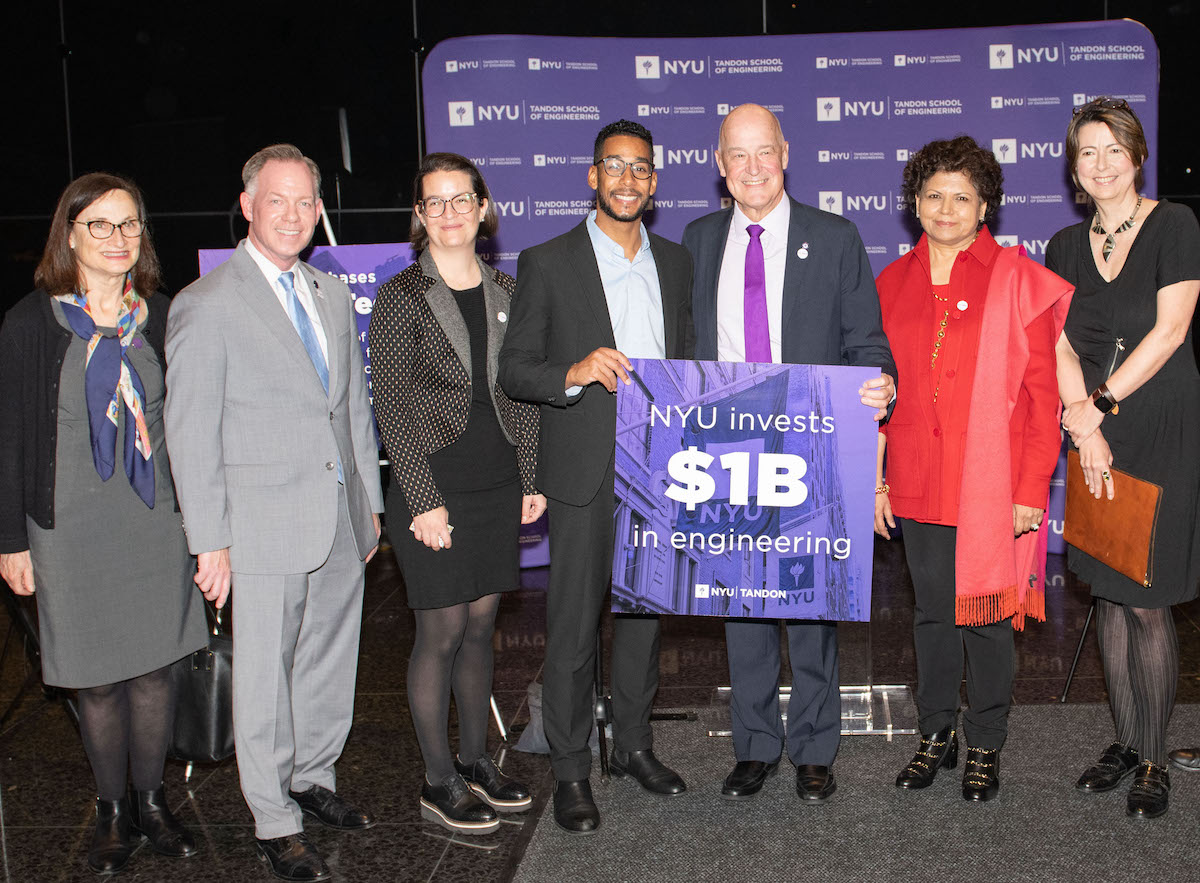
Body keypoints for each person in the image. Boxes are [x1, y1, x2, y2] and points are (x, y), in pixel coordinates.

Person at [164, 144, 384, 881]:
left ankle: (312, 777)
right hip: (258, 527)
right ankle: (273, 818)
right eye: (276, 200)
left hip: (338, 517)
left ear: (318, 209)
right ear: (248, 205)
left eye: (304, 202)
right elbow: (190, 432)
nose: (291, 215)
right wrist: (210, 541)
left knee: (328, 659)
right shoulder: (207, 303)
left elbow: (351, 409)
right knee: (261, 679)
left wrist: (368, 504)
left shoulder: (329, 293)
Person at [682, 103, 895, 805]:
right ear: (720, 165)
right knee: (741, 601)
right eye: (737, 155)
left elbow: (867, 342)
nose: (753, 168)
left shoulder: (834, 238)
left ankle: (813, 747)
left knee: (809, 602)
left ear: (786, 153)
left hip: (811, 443)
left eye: (764, 151)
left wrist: (881, 384)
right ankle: (753, 746)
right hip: (726, 445)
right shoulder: (697, 240)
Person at [0, 173, 208, 874]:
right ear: (70, 234)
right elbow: (9, 439)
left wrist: (207, 526)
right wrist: (10, 540)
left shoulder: (163, 316)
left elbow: (190, 426)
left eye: (129, 224)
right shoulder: (32, 323)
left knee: (154, 674)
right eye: (100, 224)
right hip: (68, 528)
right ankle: (112, 811)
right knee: (93, 679)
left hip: (154, 524)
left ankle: (153, 803)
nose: (118, 238)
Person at [499, 119, 693, 834]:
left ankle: (635, 746)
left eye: (640, 168)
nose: (627, 179)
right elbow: (515, 368)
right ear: (592, 176)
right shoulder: (547, 261)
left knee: (643, 619)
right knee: (574, 626)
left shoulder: (677, 263)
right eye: (614, 166)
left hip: (659, 467)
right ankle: (572, 767)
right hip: (583, 470)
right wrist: (575, 371)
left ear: (653, 181)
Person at [874, 136, 1072, 802]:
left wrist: (1029, 488)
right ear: (915, 203)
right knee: (931, 614)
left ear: (985, 206)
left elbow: (1043, 397)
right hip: (916, 477)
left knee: (985, 618)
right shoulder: (889, 283)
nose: (946, 208)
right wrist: (877, 478)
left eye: (962, 196)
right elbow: (874, 392)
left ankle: (985, 741)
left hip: (990, 484)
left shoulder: (1015, 279)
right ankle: (936, 732)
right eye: (933, 195)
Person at [368, 153, 542, 835]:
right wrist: (422, 499)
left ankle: (476, 762)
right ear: (420, 214)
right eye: (434, 202)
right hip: (433, 485)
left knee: (479, 628)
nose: (449, 213)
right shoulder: (400, 295)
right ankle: (438, 779)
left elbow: (521, 394)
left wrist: (530, 477)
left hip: (495, 482)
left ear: (482, 207)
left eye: (460, 199)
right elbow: (392, 407)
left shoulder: (508, 289)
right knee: (439, 632)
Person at [1047, 98, 1200, 820]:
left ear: (1138, 156)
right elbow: (1059, 344)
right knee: (1107, 589)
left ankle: (1155, 756)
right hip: (1093, 432)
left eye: (1115, 149)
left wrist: (1098, 408)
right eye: (1088, 152)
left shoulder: (1175, 226)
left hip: (1157, 424)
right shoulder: (1063, 246)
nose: (1102, 163)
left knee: (1146, 598)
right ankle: (1126, 739)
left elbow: (1170, 332)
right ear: (1073, 167)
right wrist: (1083, 428)